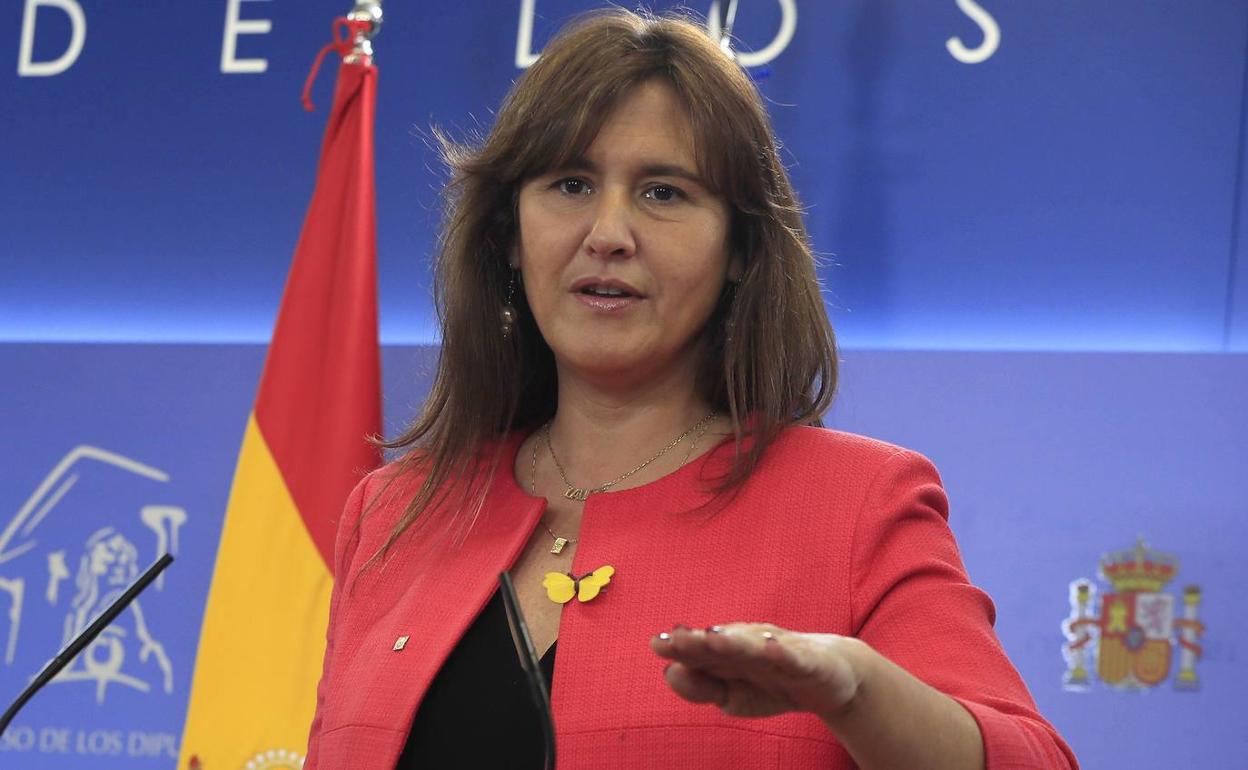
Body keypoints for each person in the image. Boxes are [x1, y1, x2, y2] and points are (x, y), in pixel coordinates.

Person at [304, 9, 1078, 769]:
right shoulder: (393, 512)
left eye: (664, 192)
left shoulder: (860, 505)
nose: (608, 234)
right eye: (570, 184)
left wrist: (858, 692)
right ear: (509, 235)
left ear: (740, 249)